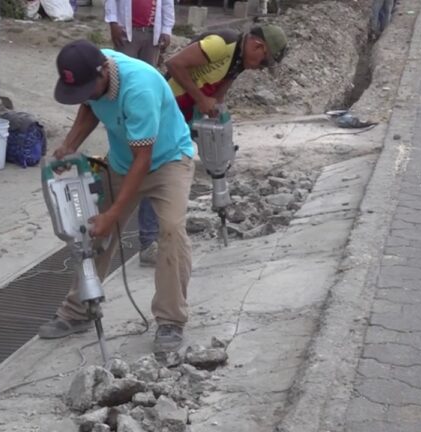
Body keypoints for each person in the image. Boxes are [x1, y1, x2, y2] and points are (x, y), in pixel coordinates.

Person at [38, 40, 196, 353]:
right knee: (91, 230)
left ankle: (170, 321)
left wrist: (114, 216)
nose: (84, 95)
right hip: (124, 160)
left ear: (103, 75)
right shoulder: (94, 68)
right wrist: (70, 145)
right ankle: (80, 310)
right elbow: (89, 106)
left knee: (171, 231)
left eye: (87, 88)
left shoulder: (140, 88)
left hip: (167, 161)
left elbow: (144, 160)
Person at [137, 25, 289, 250]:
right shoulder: (222, 43)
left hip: (186, 115)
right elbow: (174, 64)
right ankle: (149, 241)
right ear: (258, 46)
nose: (260, 68)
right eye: (263, 62)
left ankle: (163, 231)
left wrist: (215, 117)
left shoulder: (239, 62)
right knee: (158, 169)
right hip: (166, 108)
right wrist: (200, 98)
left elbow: (219, 92)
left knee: (174, 170)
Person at [105, 0, 175, 267]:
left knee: (147, 79)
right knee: (121, 77)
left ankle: (140, 126)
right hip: (128, 29)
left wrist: (166, 28)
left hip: (151, 31)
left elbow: (166, 3)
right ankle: (123, 125)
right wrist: (113, 22)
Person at [105, 0, 175, 66]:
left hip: (152, 33)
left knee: (148, 71)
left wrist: (166, 30)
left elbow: (167, 4)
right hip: (126, 32)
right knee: (124, 68)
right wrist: (113, 22)